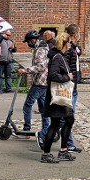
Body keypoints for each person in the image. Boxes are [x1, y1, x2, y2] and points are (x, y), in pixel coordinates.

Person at [39, 32, 77, 163]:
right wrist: (67, 77)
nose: (71, 45)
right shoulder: (57, 57)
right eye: (69, 43)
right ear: (66, 43)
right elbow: (53, 76)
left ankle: (63, 150)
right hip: (57, 95)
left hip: (59, 94)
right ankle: (47, 154)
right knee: (55, 124)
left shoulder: (59, 56)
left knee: (69, 119)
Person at [20, 29, 53, 145]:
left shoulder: (40, 50)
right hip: (43, 82)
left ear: (33, 40)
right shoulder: (42, 48)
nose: (28, 44)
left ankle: (27, 129)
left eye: (28, 41)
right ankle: (46, 130)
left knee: (27, 105)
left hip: (40, 82)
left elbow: (41, 66)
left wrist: (26, 70)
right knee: (44, 110)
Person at [61, 23, 84, 153]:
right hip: (69, 86)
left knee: (67, 117)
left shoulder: (72, 47)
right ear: (75, 35)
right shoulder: (68, 48)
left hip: (73, 85)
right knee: (67, 117)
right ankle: (67, 143)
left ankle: (67, 142)